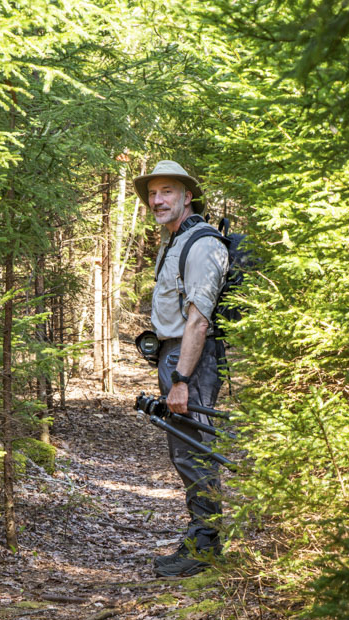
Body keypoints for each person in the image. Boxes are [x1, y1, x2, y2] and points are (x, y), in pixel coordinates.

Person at [133, 160, 229, 577]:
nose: (157, 200)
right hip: (175, 355)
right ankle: (199, 537)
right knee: (184, 451)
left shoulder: (202, 244)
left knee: (195, 452)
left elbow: (199, 320)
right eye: (153, 194)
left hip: (193, 360)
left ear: (187, 196)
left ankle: (205, 547)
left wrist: (182, 381)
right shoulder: (173, 241)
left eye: (167, 191)